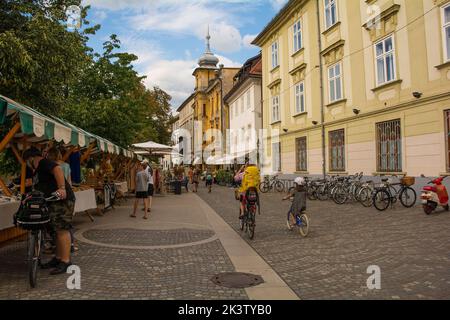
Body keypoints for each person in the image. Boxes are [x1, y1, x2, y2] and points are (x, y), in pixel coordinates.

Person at [23, 146, 76, 275]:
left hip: (62, 201)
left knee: (62, 229)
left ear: (30, 158)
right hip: (53, 201)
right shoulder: (38, 169)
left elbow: (57, 169)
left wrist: (62, 188)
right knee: (55, 231)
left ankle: (66, 261)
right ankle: (58, 258)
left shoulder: (43, 162)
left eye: (26, 161)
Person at [47, 147, 78, 252]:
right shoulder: (66, 165)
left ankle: (57, 246)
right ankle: (71, 244)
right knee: (65, 223)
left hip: (55, 194)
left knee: (58, 224)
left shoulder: (51, 166)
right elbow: (69, 182)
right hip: (66, 193)